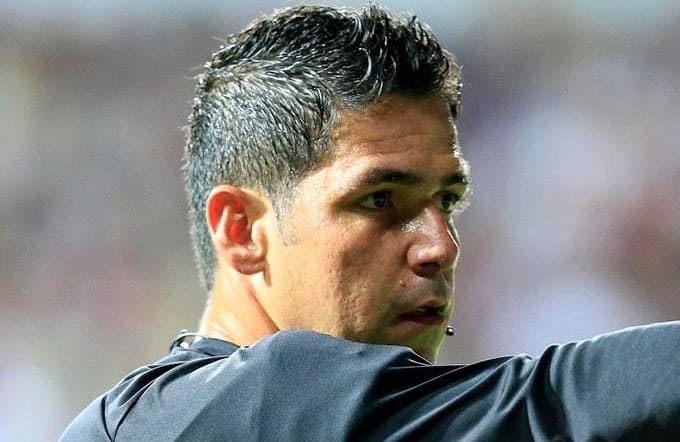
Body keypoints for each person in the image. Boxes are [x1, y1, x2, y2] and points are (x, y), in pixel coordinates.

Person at [61, 4, 680, 441]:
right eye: (380, 200)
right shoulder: (230, 411)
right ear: (242, 229)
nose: (440, 246)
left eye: (447, 200)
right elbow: (568, 404)